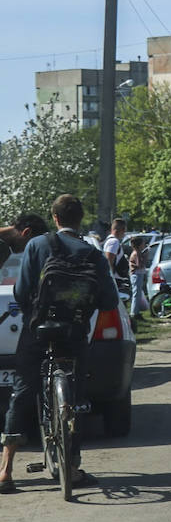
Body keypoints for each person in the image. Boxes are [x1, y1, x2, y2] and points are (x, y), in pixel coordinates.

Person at [0, 195, 117, 491]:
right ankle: (73, 467)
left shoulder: (39, 245)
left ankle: (5, 471)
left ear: (54, 218)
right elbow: (109, 300)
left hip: (37, 331)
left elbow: (22, 291)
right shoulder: (92, 254)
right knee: (75, 398)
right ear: (80, 219)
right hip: (74, 333)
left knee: (23, 392)